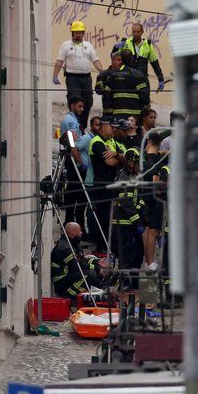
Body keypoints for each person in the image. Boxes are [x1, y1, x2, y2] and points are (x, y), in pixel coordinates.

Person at [52, 21, 103, 124]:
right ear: (72, 33)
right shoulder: (65, 45)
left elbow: (95, 60)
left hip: (86, 78)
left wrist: (103, 73)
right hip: (72, 78)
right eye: (76, 32)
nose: (78, 34)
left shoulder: (88, 46)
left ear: (83, 33)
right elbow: (59, 61)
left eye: (80, 32)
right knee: (75, 101)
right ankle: (74, 123)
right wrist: (55, 75)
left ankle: (82, 125)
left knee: (88, 101)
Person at [88, 116, 125, 251]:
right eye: (112, 126)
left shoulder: (111, 142)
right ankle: (101, 248)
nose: (114, 129)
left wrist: (118, 156)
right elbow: (110, 162)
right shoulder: (97, 142)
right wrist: (120, 159)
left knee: (111, 218)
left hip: (111, 184)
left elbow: (125, 156)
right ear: (104, 126)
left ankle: (108, 247)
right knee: (103, 218)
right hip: (101, 186)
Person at [111, 148, 145, 287]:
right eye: (138, 164)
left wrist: (144, 211)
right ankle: (126, 286)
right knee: (126, 257)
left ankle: (135, 283)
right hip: (124, 225)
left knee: (137, 255)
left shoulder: (133, 176)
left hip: (131, 224)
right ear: (131, 162)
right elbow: (126, 202)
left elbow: (138, 198)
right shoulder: (123, 177)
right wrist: (137, 221)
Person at [50, 222, 103, 299]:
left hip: (69, 274)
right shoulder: (65, 248)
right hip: (61, 281)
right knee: (90, 274)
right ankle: (68, 296)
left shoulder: (73, 244)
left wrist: (97, 262)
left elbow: (82, 259)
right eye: (79, 231)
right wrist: (97, 268)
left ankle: (97, 293)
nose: (81, 233)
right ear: (73, 233)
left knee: (93, 271)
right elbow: (77, 265)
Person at [141, 131, 169, 272]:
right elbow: (156, 184)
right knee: (154, 231)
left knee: (148, 231)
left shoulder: (147, 159)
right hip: (155, 200)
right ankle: (150, 262)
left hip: (145, 198)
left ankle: (148, 261)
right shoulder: (155, 162)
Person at [59, 97, 89, 226]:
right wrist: (80, 162)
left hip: (74, 159)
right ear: (72, 106)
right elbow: (73, 140)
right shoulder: (70, 121)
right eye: (79, 106)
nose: (82, 109)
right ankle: (70, 222)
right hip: (74, 161)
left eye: (83, 107)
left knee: (75, 193)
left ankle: (72, 222)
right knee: (74, 192)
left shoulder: (73, 120)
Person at [112, 23, 167, 91]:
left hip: (142, 80)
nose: (135, 34)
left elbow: (155, 64)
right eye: (134, 32)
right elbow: (113, 56)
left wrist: (160, 79)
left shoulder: (148, 45)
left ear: (142, 32)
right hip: (128, 80)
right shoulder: (126, 43)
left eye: (138, 32)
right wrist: (115, 47)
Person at [101, 49, 151, 122]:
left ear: (121, 59)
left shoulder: (112, 77)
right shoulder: (139, 76)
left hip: (118, 116)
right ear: (132, 58)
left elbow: (107, 102)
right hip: (135, 117)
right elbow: (145, 99)